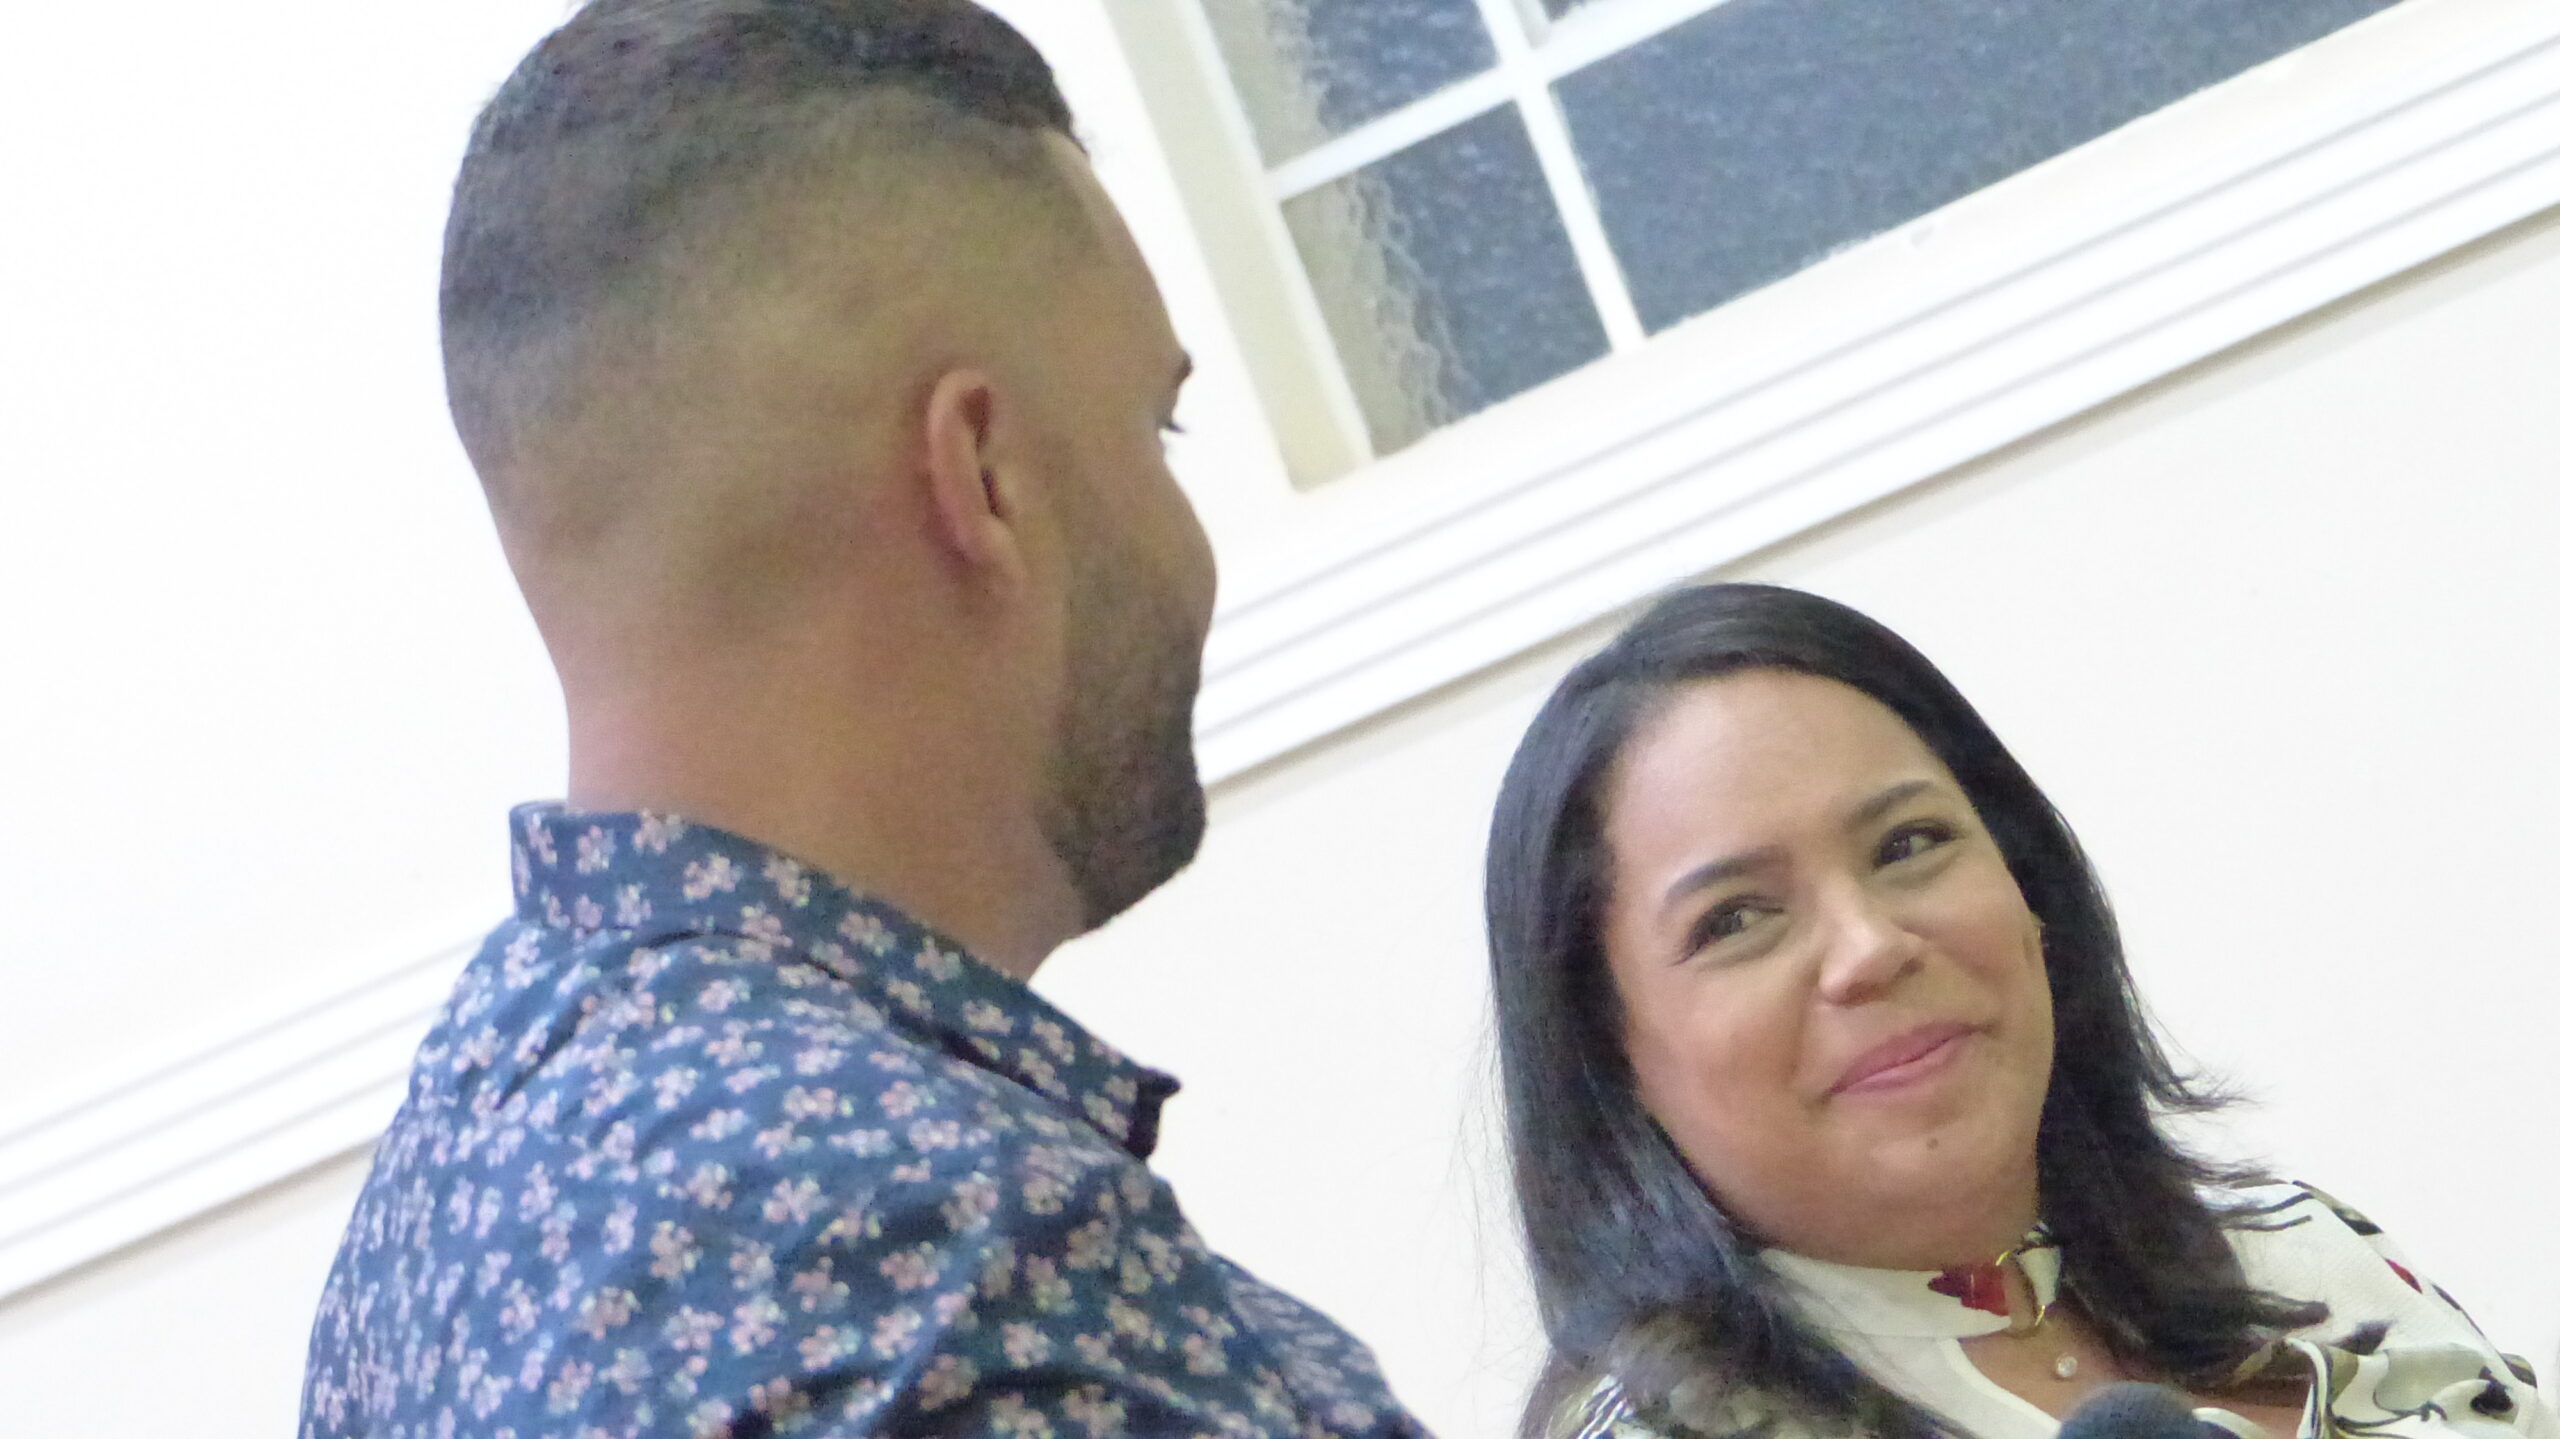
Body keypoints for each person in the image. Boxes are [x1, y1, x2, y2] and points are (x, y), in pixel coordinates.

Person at [297, 3, 1424, 1435]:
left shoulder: (458, 1178)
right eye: (1155, 430)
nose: (1186, 536)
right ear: (984, 473)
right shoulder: (944, 1274)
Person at [1483, 583, 2548, 1439]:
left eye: (1908, 844)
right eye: (1737, 918)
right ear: (1608, 1049)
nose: (1870, 947)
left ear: (2027, 883)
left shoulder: (2294, 1249)